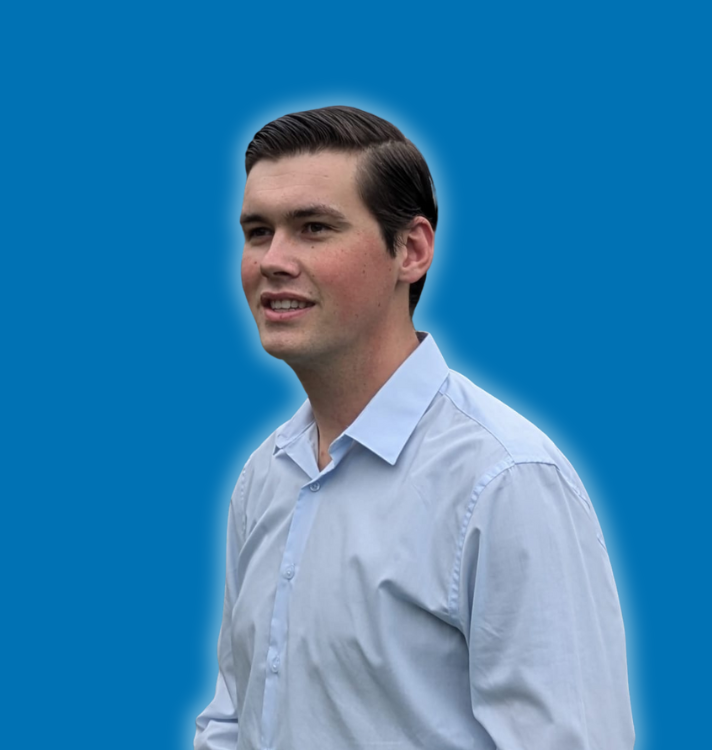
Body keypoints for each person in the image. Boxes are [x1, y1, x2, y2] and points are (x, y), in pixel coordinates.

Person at [194, 106, 634, 750]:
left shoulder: (505, 481)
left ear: (411, 250)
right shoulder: (266, 477)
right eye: (258, 232)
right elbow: (233, 722)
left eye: (314, 228)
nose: (273, 260)